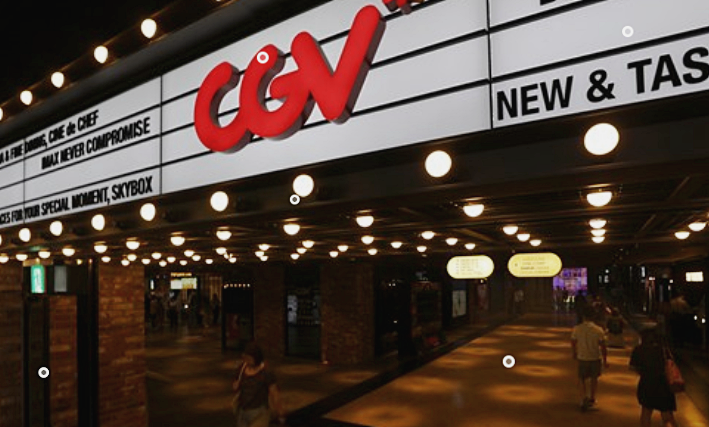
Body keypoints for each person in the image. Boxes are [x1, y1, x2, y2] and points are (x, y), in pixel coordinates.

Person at [629, 328, 678, 427]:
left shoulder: (639, 349)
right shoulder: (663, 350)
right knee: (667, 415)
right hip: (664, 385)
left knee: (646, 412)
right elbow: (671, 364)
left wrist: (643, 372)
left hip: (647, 383)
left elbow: (632, 367)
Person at [232, 342, 286, 427]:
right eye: (245, 358)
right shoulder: (242, 368)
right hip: (243, 412)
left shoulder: (266, 373)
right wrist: (235, 385)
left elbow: (275, 394)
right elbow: (236, 384)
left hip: (259, 413)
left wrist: (280, 413)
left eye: (249, 358)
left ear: (256, 358)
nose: (246, 360)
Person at [571, 306, 609, 411]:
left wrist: (574, 352)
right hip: (595, 357)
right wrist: (605, 360)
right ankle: (592, 397)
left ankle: (584, 398)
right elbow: (603, 346)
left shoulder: (577, 329)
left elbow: (573, 342)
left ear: (583, 316)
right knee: (594, 378)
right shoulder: (598, 330)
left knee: (581, 378)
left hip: (582, 356)